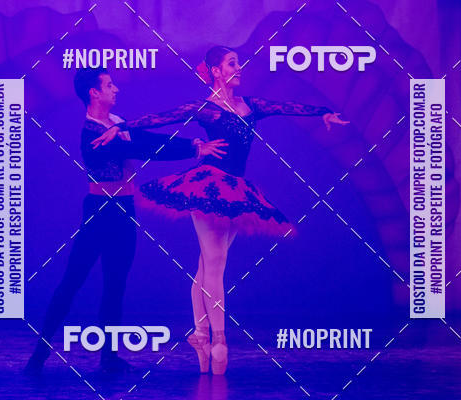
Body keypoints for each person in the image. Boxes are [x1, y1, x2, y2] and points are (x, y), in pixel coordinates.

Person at [91, 46, 349, 374]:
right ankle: (220, 341)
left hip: (236, 192)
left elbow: (287, 107)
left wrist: (323, 112)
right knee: (215, 262)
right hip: (207, 187)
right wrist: (121, 127)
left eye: (238, 63)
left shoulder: (251, 106)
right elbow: (163, 117)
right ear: (216, 71)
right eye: (232, 63)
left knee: (206, 266)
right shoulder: (206, 109)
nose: (239, 68)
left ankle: (200, 336)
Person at [24, 67, 227, 374]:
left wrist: (193, 145)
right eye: (109, 85)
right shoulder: (92, 132)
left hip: (124, 209)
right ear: (94, 92)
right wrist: (192, 148)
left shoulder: (117, 123)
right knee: (72, 282)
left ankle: (108, 357)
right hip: (100, 212)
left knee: (115, 284)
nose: (115, 89)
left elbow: (145, 138)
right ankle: (38, 357)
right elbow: (141, 148)